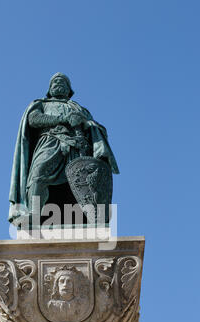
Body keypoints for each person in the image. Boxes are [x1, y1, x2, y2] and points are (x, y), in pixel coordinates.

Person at [8, 73, 119, 225]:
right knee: (38, 175)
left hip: (78, 146)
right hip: (50, 142)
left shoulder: (78, 108)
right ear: (49, 89)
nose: (58, 84)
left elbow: (97, 128)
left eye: (63, 83)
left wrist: (85, 123)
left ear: (69, 90)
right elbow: (33, 119)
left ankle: (92, 216)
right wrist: (63, 119)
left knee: (83, 182)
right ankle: (34, 214)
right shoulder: (41, 104)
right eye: (55, 82)